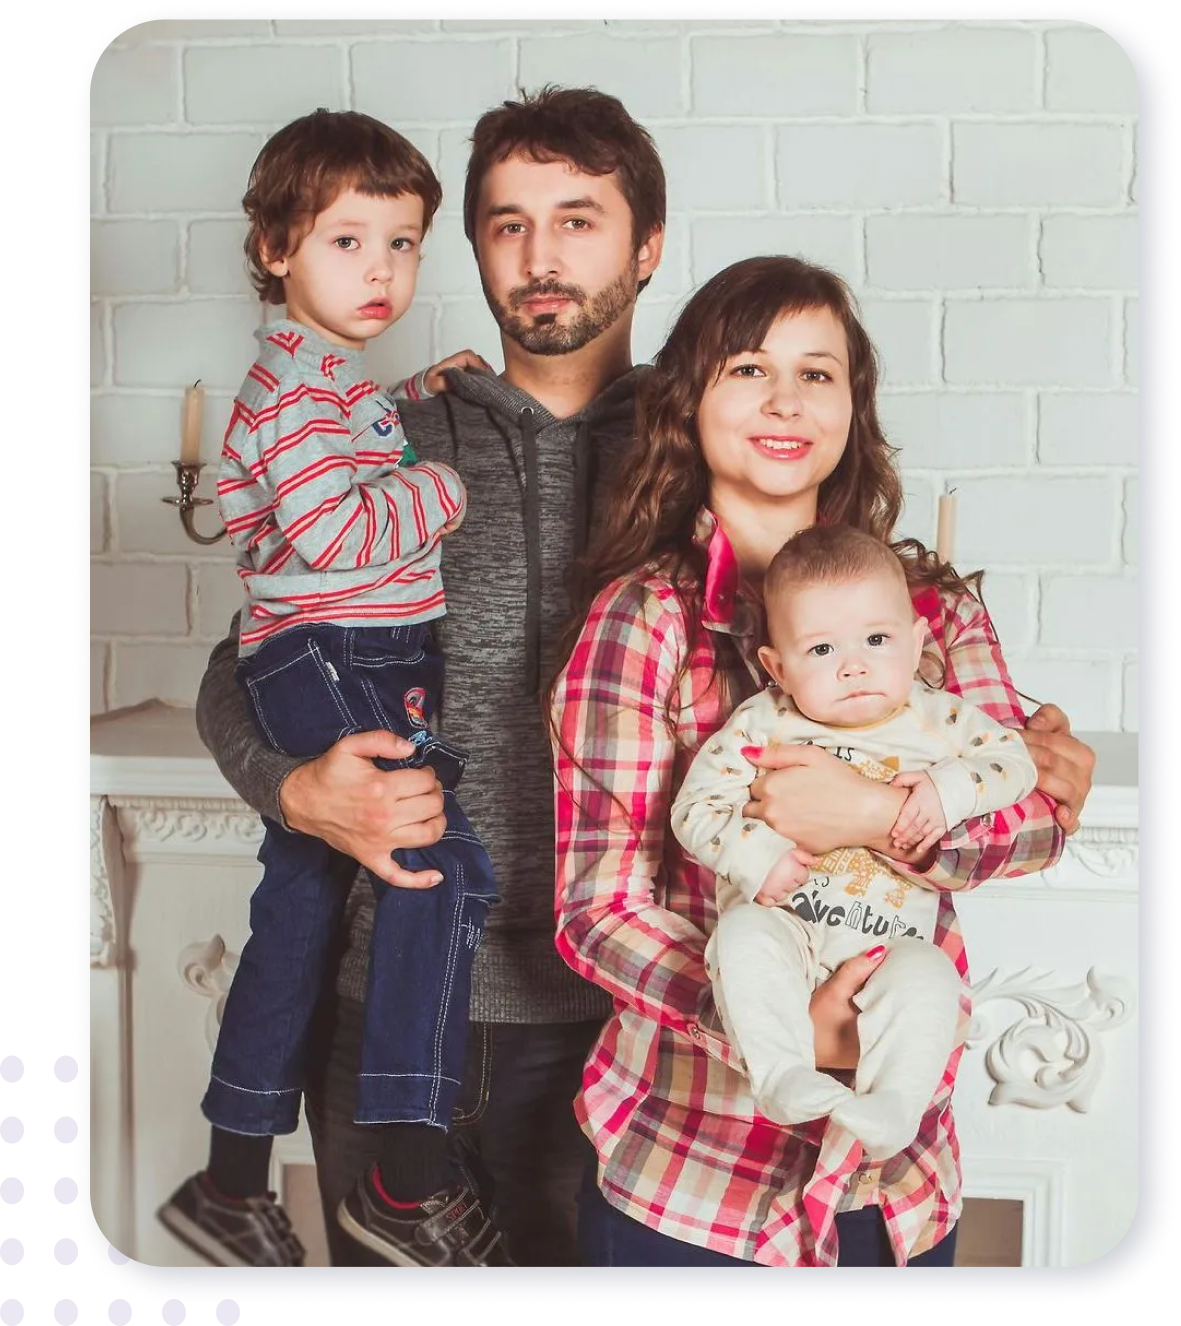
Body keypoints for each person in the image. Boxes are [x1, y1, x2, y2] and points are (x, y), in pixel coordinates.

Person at [191, 86, 667, 1267]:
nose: (540, 254)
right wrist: (291, 789)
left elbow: (836, 639)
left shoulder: (701, 442)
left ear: (646, 245)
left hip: (621, 1020)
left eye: (578, 218)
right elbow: (235, 664)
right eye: (507, 222)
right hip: (383, 1012)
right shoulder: (394, 431)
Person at [548, 254, 1096, 1268]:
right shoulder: (642, 620)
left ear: (852, 403)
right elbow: (596, 910)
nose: (786, 400)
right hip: (692, 1173)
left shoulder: (928, 608)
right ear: (689, 402)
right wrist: (780, 1025)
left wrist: (868, 815)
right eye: (748, 369)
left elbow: (1029, 821)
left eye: (818, 372)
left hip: (897, 1190)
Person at [158, 108, 508, 1270]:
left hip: (339, 652)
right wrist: (443, 487)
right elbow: (332, 522)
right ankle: (402, 1185)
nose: (383, 269)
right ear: (276, 249)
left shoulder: (328, 383)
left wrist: (406, 399)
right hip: (338, 655)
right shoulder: (299, 396)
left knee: (301, 909)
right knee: (435, 866)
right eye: (349, 242)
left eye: (403, 244)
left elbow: (335, 440)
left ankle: (229, 1179)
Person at [670, 523, 1039, 1162]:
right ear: (777, 668)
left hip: (886, 945)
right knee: (742, 940)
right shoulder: (762, 723)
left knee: (931, 977)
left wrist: (948, 790)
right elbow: (694, 808)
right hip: (787, 929)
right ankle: (782, 1073)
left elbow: (1016, 765)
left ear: (917, 642)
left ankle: (894, 1103)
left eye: (877, 639)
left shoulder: (939, 719)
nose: (854, 664)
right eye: (820, 650)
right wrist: (756, 856)